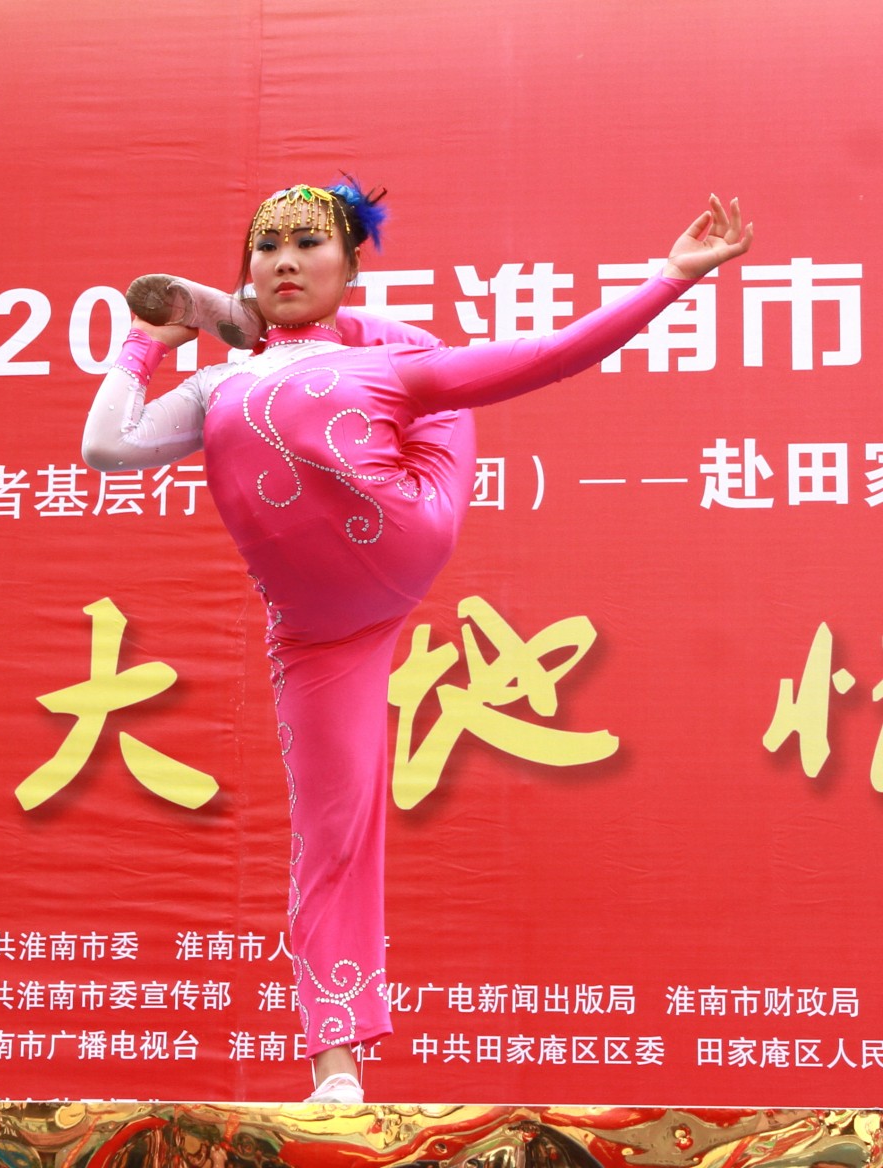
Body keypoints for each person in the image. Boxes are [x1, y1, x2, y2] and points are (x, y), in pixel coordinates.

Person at [82, 182, 752, 1102]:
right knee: (331, 834)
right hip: (321, 634)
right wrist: (146, 342)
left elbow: (554, 354)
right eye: (267, 248)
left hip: (414, 491)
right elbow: (107, 448)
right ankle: (337, 1063)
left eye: (309, 244)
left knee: (416, 363)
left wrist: (670, 277)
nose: (285, 259)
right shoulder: (214, 387)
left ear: (350, 267)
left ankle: (241, 312)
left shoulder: (391, 372)